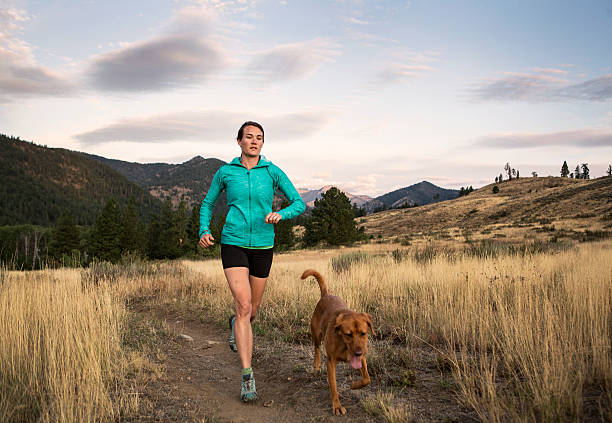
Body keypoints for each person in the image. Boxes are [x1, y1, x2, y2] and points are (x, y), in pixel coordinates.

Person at [198, 121, 305, 402]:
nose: (254, 142)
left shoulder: (271, 171)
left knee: (251, 311)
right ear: (239, 142)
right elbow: (208, 203)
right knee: (244, 304)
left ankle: (236, 322)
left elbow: (298, 202)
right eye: (249, 137)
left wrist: (281, 215)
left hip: (263, 245)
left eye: (259, 138)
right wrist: (204, 229)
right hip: (232, 242)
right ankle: (247, 377)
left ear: (262, 143)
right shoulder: (225, 172)